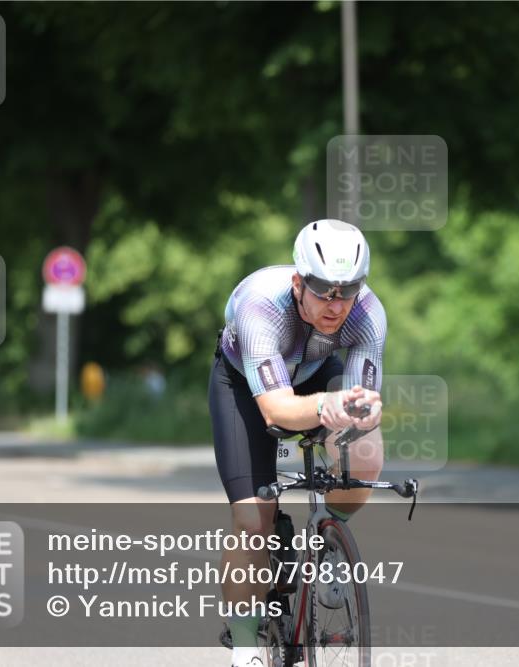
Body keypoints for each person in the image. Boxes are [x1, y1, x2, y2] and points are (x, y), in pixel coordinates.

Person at [209, 219, 386, 667]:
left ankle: (328, 539)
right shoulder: (260, 306)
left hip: (314, 374)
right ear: (298, 282)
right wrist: (326, 404)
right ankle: (246, 648)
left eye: (347, 290)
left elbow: (363, 403)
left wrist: (365, 412)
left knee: (366, 450)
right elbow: (277, 411)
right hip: (246, 389)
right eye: (323, 289)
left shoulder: (368, 314)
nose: (336, 303)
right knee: (253, 520)